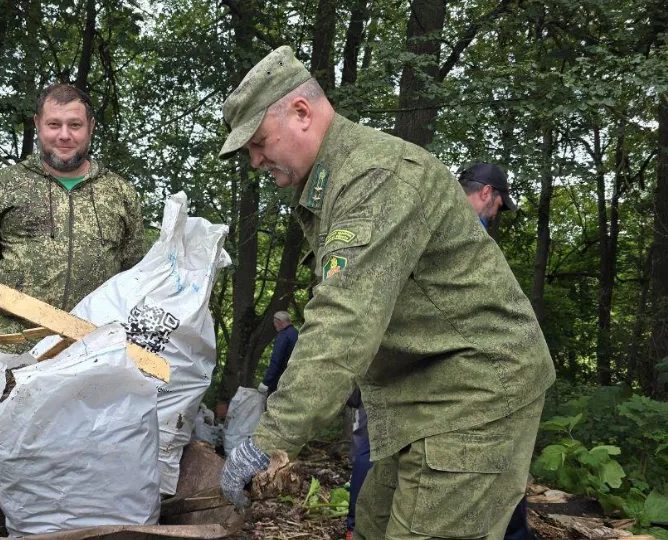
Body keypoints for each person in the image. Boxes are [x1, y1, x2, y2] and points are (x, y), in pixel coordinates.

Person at [217, 46, 555, 540]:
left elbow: (344, 320)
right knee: (372, 524)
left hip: (475, 394)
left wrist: (271, 440)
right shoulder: (333, 182)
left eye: (259, 142)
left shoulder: (375, 176)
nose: (254, 159)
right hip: (421, 398)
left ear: (302, 113)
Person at [343, 161, 531, 539]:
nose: (495, 216)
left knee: (380, 449)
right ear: (487, 194)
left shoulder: (420, 213)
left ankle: (357, 528)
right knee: (474, 460)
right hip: (437, 371)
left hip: (394, 358)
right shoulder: (465, 233)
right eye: (497, 206)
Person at [0, 83, 145, 373]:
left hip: (95, 354)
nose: (64, 135)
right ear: (38, 124)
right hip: (16, 351)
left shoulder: (119, 192)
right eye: (54, 124)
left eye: (75, 125)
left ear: (91, 127)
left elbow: (134, 275)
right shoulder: (5, 185)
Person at [458, 162, 517, 229]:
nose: (495, 214)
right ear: (486, 192)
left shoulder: (446, 212)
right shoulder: (470, 232)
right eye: (498, 205)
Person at [258, 311, 298, 395]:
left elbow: (276, 360)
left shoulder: (283, 335)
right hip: (296, 378)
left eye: (274, 323)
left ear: (279, 322)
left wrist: (266, 382)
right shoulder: (297, 333)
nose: (274, 326)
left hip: (281, 381)